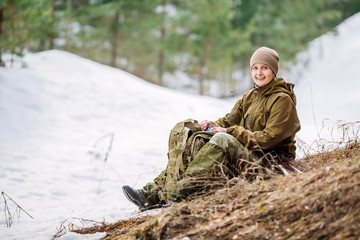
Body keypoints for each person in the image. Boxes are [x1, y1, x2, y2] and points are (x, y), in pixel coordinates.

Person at [122, 47, 301, 211]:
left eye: (264, 68)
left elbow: (268, 139)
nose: (259, 73)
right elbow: (228, 121)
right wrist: (207, 127)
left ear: (273, 70)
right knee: (197, 137)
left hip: (269, 164)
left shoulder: (282, 99)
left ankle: (180, 193)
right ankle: (150, 194)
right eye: (255, 68)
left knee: (222, 140)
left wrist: (230, 132)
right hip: (249, 155)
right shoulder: (251, 96)